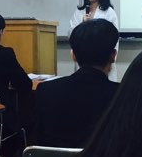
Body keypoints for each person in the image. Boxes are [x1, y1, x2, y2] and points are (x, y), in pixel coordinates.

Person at [34, 19, 119, 148]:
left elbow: (37, 139)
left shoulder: (46, 90)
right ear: (113, 55)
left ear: (73, 55)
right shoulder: (122, 95)